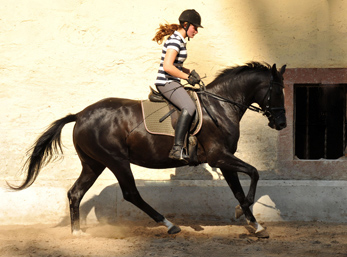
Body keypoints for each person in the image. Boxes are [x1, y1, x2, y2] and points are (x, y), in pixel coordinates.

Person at [152, 9, 203, 162]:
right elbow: (167, 67)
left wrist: (189, 71)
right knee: (189, 107)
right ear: (186, 25)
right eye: (195, 27)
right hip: (166, 82)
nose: (196, 31)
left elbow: (175, 65)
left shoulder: (179, 40)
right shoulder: (175, 41)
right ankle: (177, 148)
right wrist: (188, 77)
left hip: (173, 81)